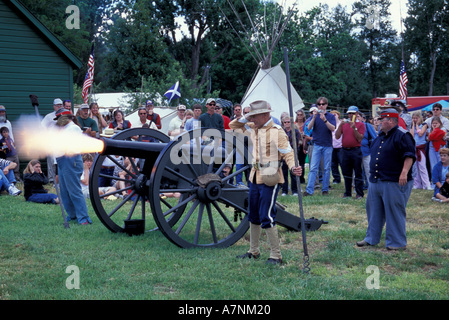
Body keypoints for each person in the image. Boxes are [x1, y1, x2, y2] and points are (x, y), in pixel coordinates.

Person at [230, 100, 302, 265]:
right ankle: (253, 251)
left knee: (266, 215)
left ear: (265, 114)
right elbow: (234, 125)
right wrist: (246, 117)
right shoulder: (254, 128)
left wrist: (293, 168)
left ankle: (276, 255)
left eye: (255, 116)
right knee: (253, 214)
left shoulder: (277, 131)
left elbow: (288, 153)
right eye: (251, 116)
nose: (252, 119)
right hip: (254, 176)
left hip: (270, 177)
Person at [357, 108, 415, 251]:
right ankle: (371, 238)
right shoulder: (380, 136)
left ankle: (396, 243)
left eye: (381, 120)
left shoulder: (403, 135)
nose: (378, 122)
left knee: (394, 212)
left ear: (390, 120)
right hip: (376, 180)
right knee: (373, 211)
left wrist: (404, 172)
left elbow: (410, 155)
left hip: (394, 181)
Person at [54, 108, 92, 225]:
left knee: (74, 190)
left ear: (66, 118)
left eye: (59, 118)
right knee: (64, 190)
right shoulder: (63, 129)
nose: (57, 121)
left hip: (71, 159)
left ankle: (83, 217)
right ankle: (72, 215)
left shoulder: (73, 128)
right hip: (61, 159)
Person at [303, 97, 336, 196]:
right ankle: (309, 190)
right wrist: (313, 117)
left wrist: (325, 120)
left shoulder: (330, 116)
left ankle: (325, 189)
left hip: (327, 145)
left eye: (323, 104)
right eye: (319, 104)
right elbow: (308, 128)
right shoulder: (314, 116)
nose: (321, 106)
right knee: (313, 168)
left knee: (326, 168)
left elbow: (333, 128)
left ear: (326, 105)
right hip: (317, 145)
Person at [335, 106, 366, 199]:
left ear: (357, 114)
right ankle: (348, 192)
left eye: (352, 113)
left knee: (358, 172)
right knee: (346, 172)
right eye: (349, 113)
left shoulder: (361, 124)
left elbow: (360, 138)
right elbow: (337, 136)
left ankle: (359, 193)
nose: (350, 115)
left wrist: (354, 128)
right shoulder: (345, 124)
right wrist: (340, 125)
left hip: (355, 150)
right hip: (345, 150)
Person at [410, 111, 431, 190]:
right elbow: (412, 135)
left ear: (420, 118)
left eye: (416, 118)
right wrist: (413, 125)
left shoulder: (424, 125)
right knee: (415, 167)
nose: (415, 119)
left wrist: (417, 125)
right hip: (414, 147)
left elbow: (420, 134)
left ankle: (426, 184)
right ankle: (417, 184)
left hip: (421, 148)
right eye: (413, 118)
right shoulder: (412, 125)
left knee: (422, 166)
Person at [280, 115, 300, 196]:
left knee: (293, 173)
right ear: (283, 123)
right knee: (284, 173)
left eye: (288, 122)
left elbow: (297, 143)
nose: (287, 123)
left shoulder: (296, 132)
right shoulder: (281, 132)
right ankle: (284, 190)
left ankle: (294, 191)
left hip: (293, 154)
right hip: (283, 155)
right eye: (285, 122)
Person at [330, 110, 342, 185]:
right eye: (332, 115)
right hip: (332, 147)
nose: (334, 116)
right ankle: (336, 179)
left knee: (342, 163)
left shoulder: (341, 123)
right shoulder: (329, 124)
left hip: (340, 147)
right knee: (333, 164)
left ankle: (346, 177)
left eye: (335, 114)